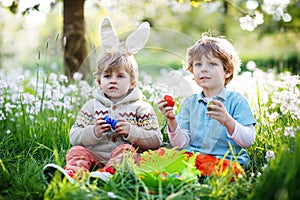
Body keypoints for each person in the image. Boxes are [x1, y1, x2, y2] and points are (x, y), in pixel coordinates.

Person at [43, 17, 163, 184]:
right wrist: (93, 131)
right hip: (96, 154)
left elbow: (156, 139)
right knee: (77, 150)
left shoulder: (141, 108)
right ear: (99, 81)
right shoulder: (91, 107)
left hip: (125, 154)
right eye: (107, 76)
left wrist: (131, 131)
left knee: (126, 151)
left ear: (132, 83)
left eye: (120, 76)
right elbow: (75, 136)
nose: (113, 80)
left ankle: (109, 174)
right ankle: (72, 175)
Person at [157, 36, 256, 178]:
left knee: (229, 170)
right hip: (194, 158)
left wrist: (227, 121)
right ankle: (186, 174)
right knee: (163, 154)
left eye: (212, 64)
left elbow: (248, 140)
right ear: (192, 70)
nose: (203, 70)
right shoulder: (190, 104)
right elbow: (181, 144)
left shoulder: (236, 101)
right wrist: (171, 120)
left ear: (227, 71)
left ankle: (185, 175)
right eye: (198, 65)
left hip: (225, 161)